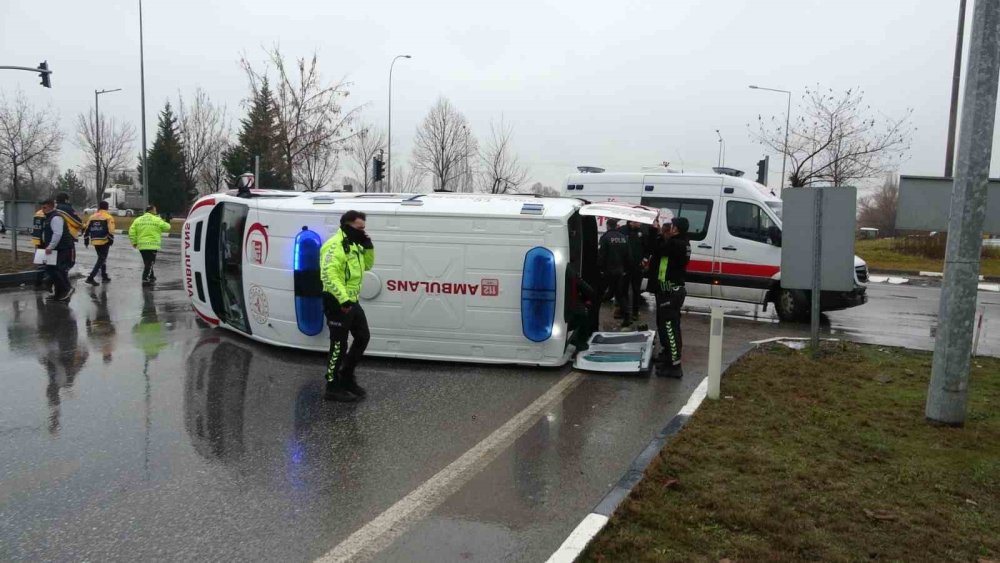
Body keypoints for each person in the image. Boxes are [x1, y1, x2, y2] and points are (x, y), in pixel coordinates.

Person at [319, 210, 375, 402]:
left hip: (351, 300)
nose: (363, 232)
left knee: (363, 337)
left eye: (364, 229)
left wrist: (368, 247)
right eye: (359, 228)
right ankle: (332, 386)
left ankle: (346, 376)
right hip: (337, 301)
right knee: (338, 345)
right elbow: (329, 275)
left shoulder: (355, 245)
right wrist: (342, 299)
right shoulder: (334, 246)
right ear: (346, 226)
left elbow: (367, 267)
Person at [648, 217, 691, 377]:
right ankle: (667, 356)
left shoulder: (676, 244)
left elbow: (656, 249)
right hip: (667, 289)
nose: (669, 228)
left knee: (670, 328)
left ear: (676, 229)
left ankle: (674, 366)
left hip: (670, 290)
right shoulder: (681, 242)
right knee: (664, 325)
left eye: (671, 226)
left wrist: (655, 231)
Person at [40, 198, 77, 302]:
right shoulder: (48, 217)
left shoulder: (56, 217)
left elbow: (57, 234)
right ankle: (58, 294)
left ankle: (67, 289)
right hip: (54, 248)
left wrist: (50, 247)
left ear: (51, 206)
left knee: (58, 270)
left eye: (45, 207)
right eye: (42, 207)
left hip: (63, 248)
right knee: (51, 269)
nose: (43, 209)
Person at [598, 218, 632, 328]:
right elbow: (628, 256)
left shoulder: (605, 237)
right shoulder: (623, 238)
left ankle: (593, 317)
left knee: (599, 294)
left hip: (608, 271)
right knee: (620, 295)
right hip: (619, 271)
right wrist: (625, 269)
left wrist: (600, 269)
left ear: (607, 226)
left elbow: (601, 255)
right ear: (616, 226)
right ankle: (627, 316)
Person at [128, 205, 171, 286]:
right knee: (150, 263)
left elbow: (131, 231)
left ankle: (151, 276)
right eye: (155, 210)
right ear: (151, 211)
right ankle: (145, 278)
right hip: (152, 245)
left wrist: (134, 242)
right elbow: (167, 227)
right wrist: (168, 219)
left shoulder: (138, 219)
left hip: (142, 246)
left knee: (147, 262)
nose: (156, 212)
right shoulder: (157, 219)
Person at [83, 201, 116, 286]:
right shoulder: (108, 217)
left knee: (101, 258)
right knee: (101, 259)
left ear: (99, 207)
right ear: (107, 207)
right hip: (104, 240)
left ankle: (104, 276)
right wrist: (111, 239)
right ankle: (90, 278)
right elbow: (111, 230)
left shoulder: (92, 216)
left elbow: (87, 228)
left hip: (94, 240)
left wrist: (86, 240)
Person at [623, 221, 648, 320]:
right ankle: (624, 311)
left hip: (638, 267)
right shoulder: (623, 231)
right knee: (623, 290)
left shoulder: (642, 233)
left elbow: (647, 249)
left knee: (636, 290)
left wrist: (644, 261)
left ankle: (635, 312)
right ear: (631, 222)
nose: (640, 223)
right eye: (638, 222)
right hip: (626, 266)